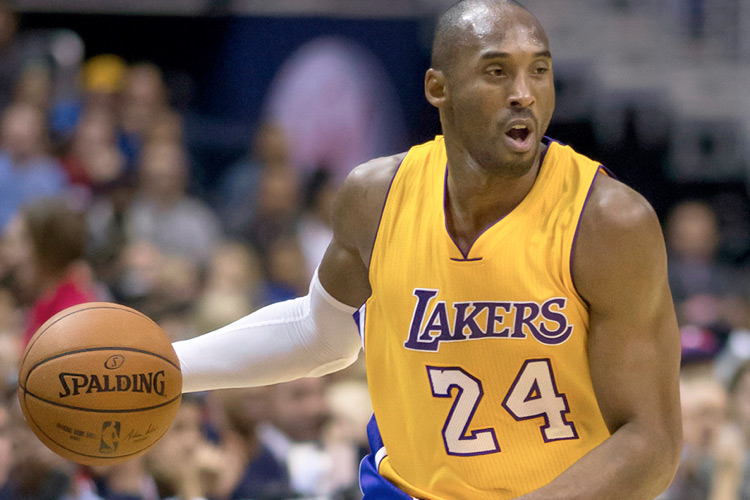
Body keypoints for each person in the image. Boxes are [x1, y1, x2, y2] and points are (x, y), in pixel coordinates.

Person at [174, 1, 682, 498]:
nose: (524, 94)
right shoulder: (376, 197)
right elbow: (318, 334)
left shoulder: (606, 221)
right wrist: (167, 366)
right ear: (439, 88)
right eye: (497, 72)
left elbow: (651, 443)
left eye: (540, 71)